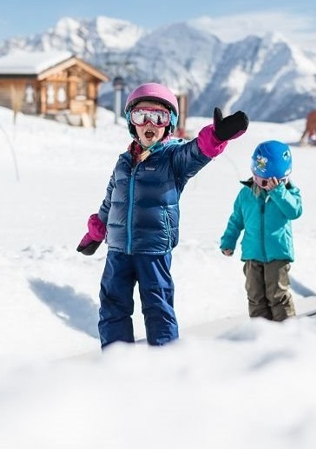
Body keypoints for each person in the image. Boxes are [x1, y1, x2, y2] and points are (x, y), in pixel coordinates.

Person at [76, 82, 249, 348]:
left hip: (153, 250)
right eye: (141, 115)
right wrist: (95, 233)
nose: (149, 123)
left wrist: (216, 136)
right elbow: (111, 200)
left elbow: (196, 152)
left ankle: (166, 360)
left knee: (158, 308)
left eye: (159, 117)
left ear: (169, 124)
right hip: (118, 249)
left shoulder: (173, 158)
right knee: (111, 306)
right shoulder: (123, 162)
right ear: (131, 122)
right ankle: (116, 360)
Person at [220, 141, 303, 321]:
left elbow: (294, 211)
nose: (266, 185)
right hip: (252, 254)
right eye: (263, 180)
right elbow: (236, 220)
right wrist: (228, 241)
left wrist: (278, 192)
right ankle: (261, 331)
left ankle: (288, 331)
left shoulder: (289, 192)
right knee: (255, 297)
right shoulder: (246, 194)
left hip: (278, 253)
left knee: (277, 296)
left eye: (274, 182)